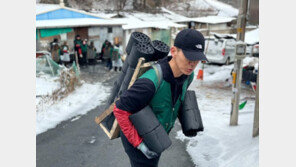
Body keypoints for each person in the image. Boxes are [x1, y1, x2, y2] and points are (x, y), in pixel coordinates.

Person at [113, 29, 208, 167]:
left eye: (197, 58)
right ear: (174, 51)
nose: (193, 64)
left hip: (157, 134)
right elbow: (120, 110)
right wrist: (140, 145)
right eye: (189, 57)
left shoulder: (188, 76)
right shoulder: (150, 82)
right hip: (137, 138)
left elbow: (174, 100)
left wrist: (189, 122)